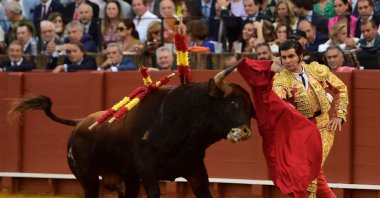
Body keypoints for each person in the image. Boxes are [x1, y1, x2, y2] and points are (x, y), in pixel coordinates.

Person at [272, 39, 349, 197]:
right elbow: (278, 97)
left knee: (311, 172)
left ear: (300, 56)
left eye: (291, 56)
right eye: (284, 57)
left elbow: (341, 88)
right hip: (299, 131)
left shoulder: (316, 70)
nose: (287, 61)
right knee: (316, 177)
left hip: (323, 126)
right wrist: (283, 104)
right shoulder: (281, 79)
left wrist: (339, 115)